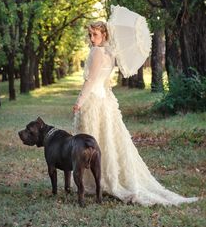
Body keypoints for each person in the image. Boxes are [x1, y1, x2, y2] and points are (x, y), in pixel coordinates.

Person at [73, 21, 198, 206]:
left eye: (96, 35)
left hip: (94, 101)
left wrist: (79, 101)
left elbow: (91, 81)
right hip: (105, 101)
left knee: (94, 140)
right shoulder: (110, 53)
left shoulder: (98, 52)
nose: (92, 39)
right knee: (107, 140)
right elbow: (105, 81)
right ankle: (102, 180)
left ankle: (104, 181)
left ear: (105, 35)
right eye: (90, 35)